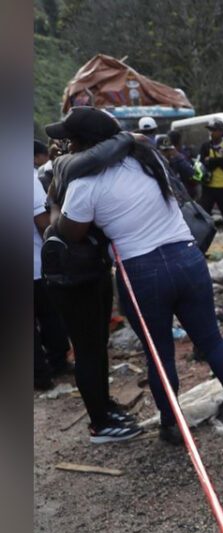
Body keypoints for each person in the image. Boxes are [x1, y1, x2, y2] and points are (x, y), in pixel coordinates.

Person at [48, 106, 223, 446]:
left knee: (159, 354)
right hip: (187, 259)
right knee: (211, 340)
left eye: (70, 140)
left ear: (83, 143)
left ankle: (171, 425)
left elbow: (69, 233)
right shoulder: (146, 160)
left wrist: (58, 194)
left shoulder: (83, 183)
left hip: (141, 272)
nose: (67, 147)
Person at [43, 109, 142, 443]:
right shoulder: (73, 172)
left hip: (90, 270)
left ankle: (104, 405)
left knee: (97, 346)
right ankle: (101, 423)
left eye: (71, 138)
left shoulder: (84, 168)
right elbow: (65, 228)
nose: (65, 144)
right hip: (71, 277)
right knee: (87, 349)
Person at [33, 168, 71, 391]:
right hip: (35, 264)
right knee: (49, 314)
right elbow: (41, 220)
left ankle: (39, 376)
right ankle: (55, 365)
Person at [198, 121, 223, 251]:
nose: (211, 132)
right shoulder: (205, 146)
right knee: (205, 217)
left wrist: (213, 161)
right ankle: (202, 245)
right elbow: (203, 163)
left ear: (220, 132)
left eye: (214, 130)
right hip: (208, 188)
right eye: (210, 130)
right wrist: (221, 160)